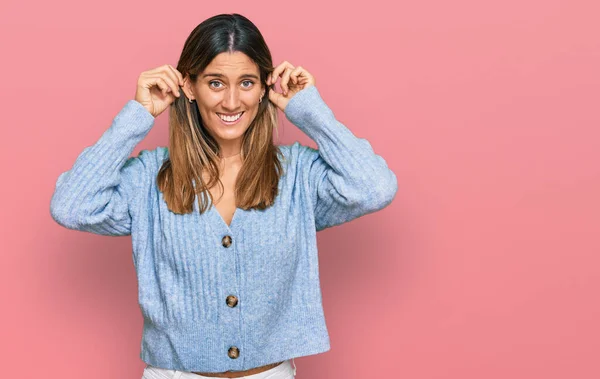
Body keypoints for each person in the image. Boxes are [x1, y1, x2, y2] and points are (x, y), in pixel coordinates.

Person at [50, 13, 398, 379]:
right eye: (215, 83)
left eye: (246, 82)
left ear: (264, 87)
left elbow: (374, 187)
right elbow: (71, 206)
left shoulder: (298, 175)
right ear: (188, 85)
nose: (232, 102)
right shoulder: (148, 179)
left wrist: (311, 112)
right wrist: (137, 115)